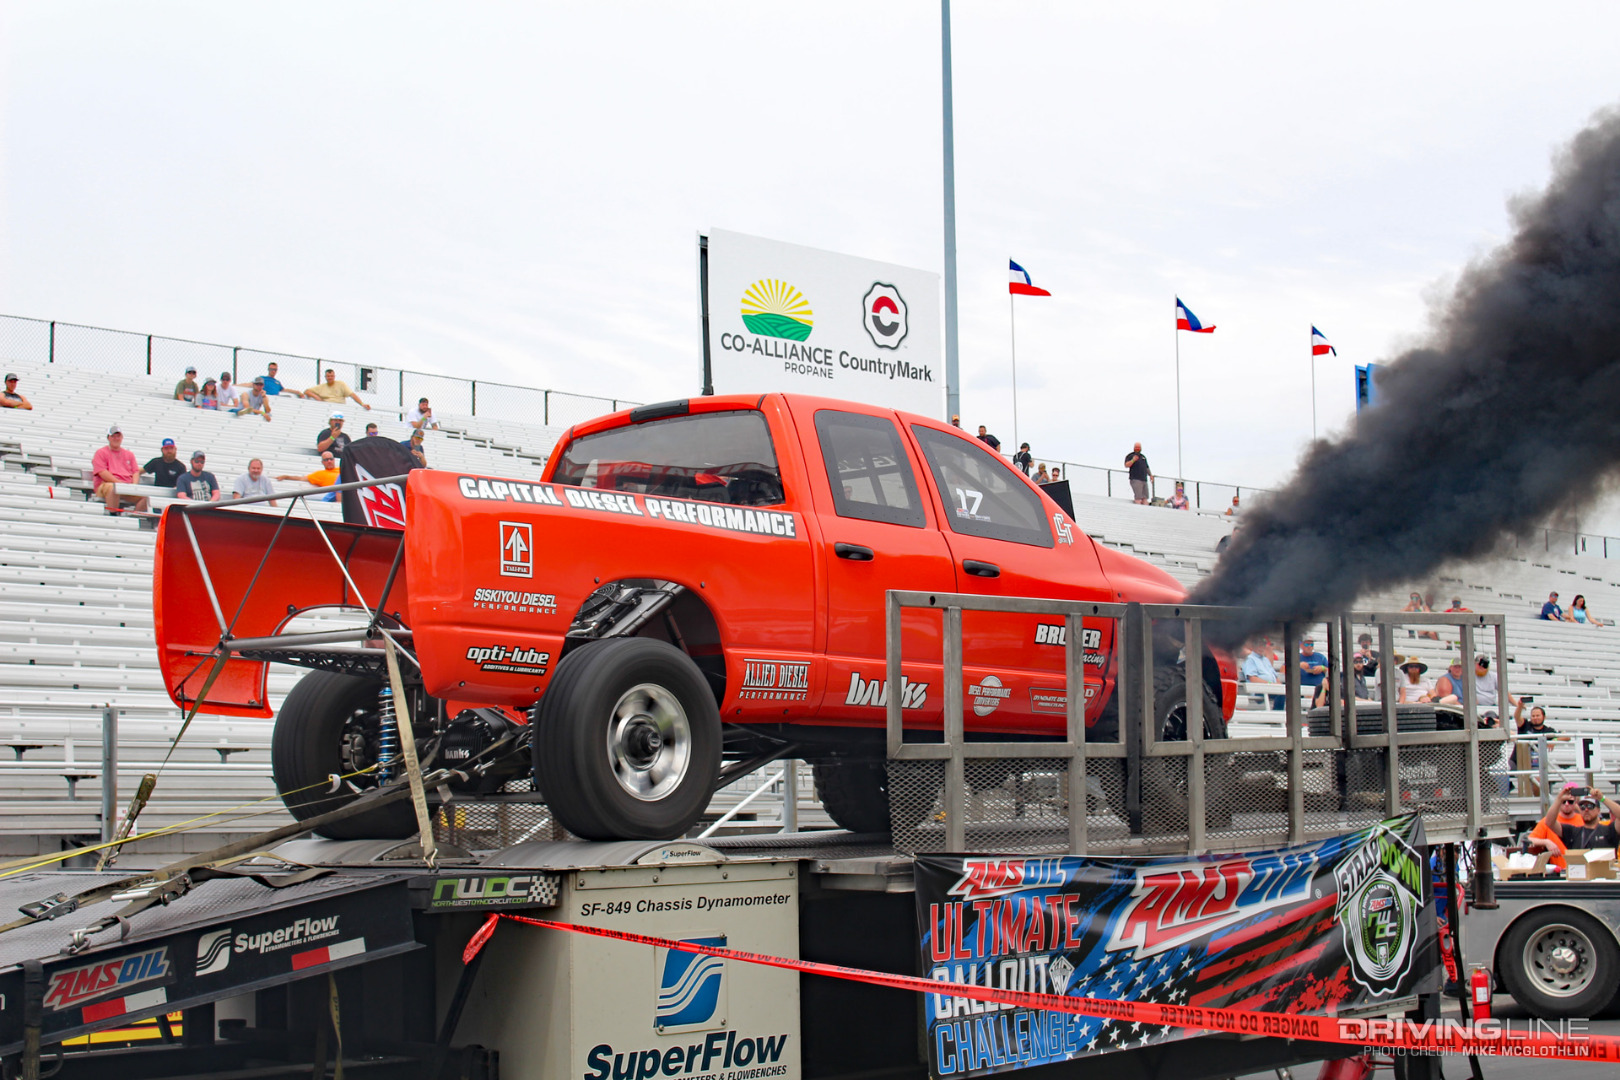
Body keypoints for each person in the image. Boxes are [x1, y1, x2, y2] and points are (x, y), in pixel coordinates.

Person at [1527, 786, 1620, 856]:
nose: (1586, 810)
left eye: (1590, 806)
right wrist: (1559, 799)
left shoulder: (1609, 830)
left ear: (1598, 810)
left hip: (1604, 878)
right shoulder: (1573, 832)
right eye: (1582, 807)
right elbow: (1549, 822)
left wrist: (1602, 798)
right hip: (1578, 876)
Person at [92, 425, 147, 513]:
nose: (116, 438)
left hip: (126, 486)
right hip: (107, 484)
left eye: (118, 436)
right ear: (108, 438)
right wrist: (119, 484)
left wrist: (134, 486)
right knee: (113, 488)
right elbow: (102, 472)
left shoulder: (129, 454)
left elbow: (135, 472)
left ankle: (133, 515)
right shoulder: (101, 453)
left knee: (147, 497)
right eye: (113, 436)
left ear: (121, 438)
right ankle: (114, 515)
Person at [1240, 640, 1285, 710]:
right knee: (1281, 693)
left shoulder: (1266, 660)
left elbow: (1275, 677)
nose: (1261, 648)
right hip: (1258, 690)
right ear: (1253, 646)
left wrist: (1278, 684)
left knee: (1286, 691)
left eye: (1263, 645)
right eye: (1259, 645)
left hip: (1271, 688)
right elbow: (1253, 679)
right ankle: (1277, 716)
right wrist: (1270, 684)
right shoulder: (1250, 659)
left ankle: (1280, 716)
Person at [302, 368, 370, 410]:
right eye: (328, 376)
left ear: (334, 376)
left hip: (339, 407)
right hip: (326, 407)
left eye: (331, 376)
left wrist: (362, 404)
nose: (330, 378)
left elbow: (352, 395)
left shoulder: (341, 384)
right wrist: (317, 398)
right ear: (325, 377)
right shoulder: (321, 387)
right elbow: (307, 391)